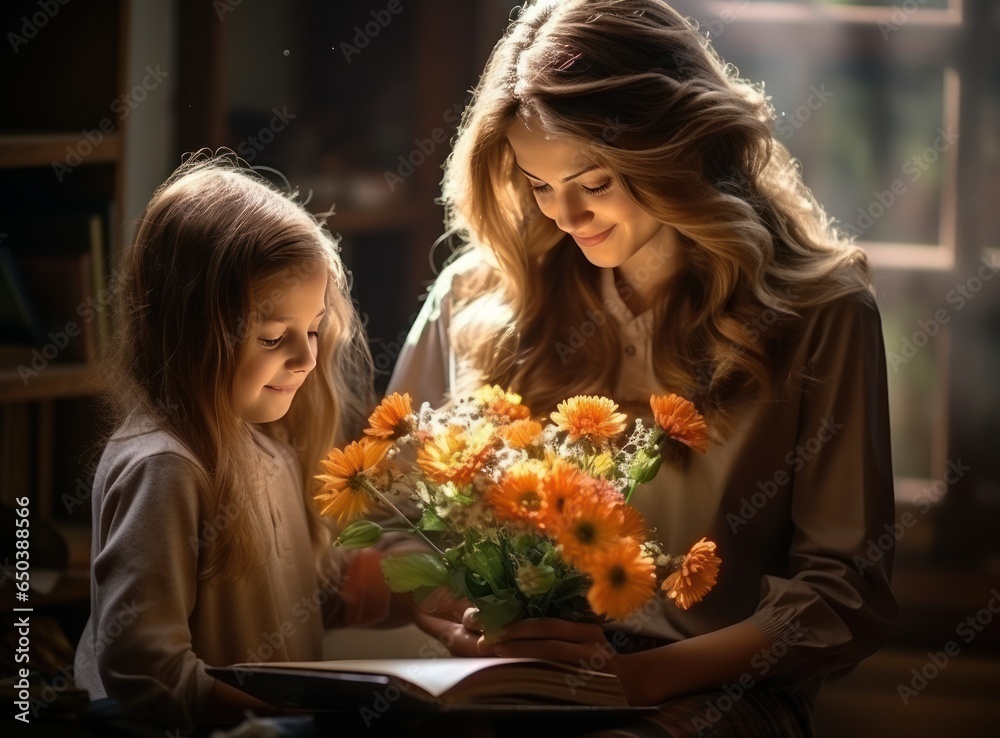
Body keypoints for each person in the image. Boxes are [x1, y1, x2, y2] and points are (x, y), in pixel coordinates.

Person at [388, 1, 897, 735]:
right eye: (537, 184)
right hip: (510, 687)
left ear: (679, 149)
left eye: (594, 183)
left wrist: (635, 679)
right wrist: (463, 621)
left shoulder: (822, 314)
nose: (564, 213)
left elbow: (845, 592)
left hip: (712, 694)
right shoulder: (478, 296)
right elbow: (393, 512)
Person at [73, 152, 410, 733]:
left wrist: (438, 586)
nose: (306, 358)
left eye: (311, 330)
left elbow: (307, 596)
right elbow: (147, 669)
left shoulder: (269, 451)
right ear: (191, 326)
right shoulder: (165, 468)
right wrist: (292, 720)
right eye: (274, 335)